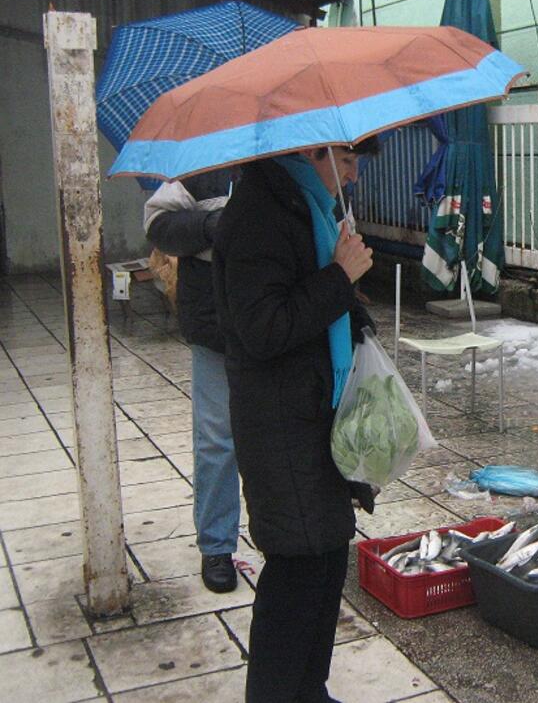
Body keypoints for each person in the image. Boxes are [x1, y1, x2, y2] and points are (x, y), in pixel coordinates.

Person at [212, 139, 378, 703]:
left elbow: (317, 310)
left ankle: (310, 689)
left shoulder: (302, 205)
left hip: (312, 416)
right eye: (349, 161)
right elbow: (264, 329)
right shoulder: (259, 213)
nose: (352, 177)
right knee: (297, 571)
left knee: (328, 556)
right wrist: (338, 275)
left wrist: (344, 282)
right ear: (316, 151)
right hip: (281, 424)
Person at [144, 169, 241, 593]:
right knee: (218, 440)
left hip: (278, 325)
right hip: (216, 327)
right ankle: (217, 546)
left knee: (280, 436)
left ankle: (285, 536)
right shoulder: (202, 172)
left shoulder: (291, 162)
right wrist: (209, 224)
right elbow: (159, 227)